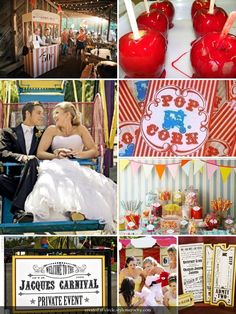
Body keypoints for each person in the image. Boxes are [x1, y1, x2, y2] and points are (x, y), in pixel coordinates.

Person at [24, 102, 116, 231]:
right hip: (57, 163)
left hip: (76, 164)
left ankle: (77, 210)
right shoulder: (51, 130)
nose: (54, 116)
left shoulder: (81, 129)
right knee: (54, 179)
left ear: (67, 114)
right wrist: (56, 154)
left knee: (80, 181)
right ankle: (68, 211)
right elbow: (40, 153)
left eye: (57, 113)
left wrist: (79, 154)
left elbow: (94, 151)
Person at [0, 102, 44, 223]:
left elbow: (47, 152)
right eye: (38, 113)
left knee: (33, 160)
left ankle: (18, 210)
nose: (42, 116)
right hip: (15, 178)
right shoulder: (7, 132)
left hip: (35, 179)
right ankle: (24, 203)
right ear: (28, 113)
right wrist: (22, 157)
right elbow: (2, 153)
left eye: (42, 113)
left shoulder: (42, 135)